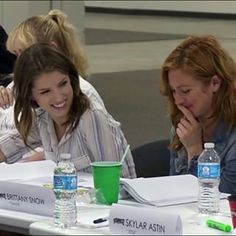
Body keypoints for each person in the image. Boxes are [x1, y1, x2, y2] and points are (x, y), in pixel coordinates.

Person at [2, 43, 136, 178]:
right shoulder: (42, 116)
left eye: (63, 84)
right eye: (46, 91)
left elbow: (118, 183)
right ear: (32, 96)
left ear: (71, 79)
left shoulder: (91, 116)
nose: (59, 97)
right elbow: (8, 147)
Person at [0, 9, 107, 163]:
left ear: (51, 48)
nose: (20, 62)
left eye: (24, 52)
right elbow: (15, 140)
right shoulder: (33, 101)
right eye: (17, 55)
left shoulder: (84, 100)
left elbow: (115, 171)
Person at [160, 35, 236, 194]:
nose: (178, 100)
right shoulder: (184, 125)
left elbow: (225, 201)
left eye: (185, 91)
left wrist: (195, 152)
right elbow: (174, 194)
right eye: (173, 91)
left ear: (215, 83)